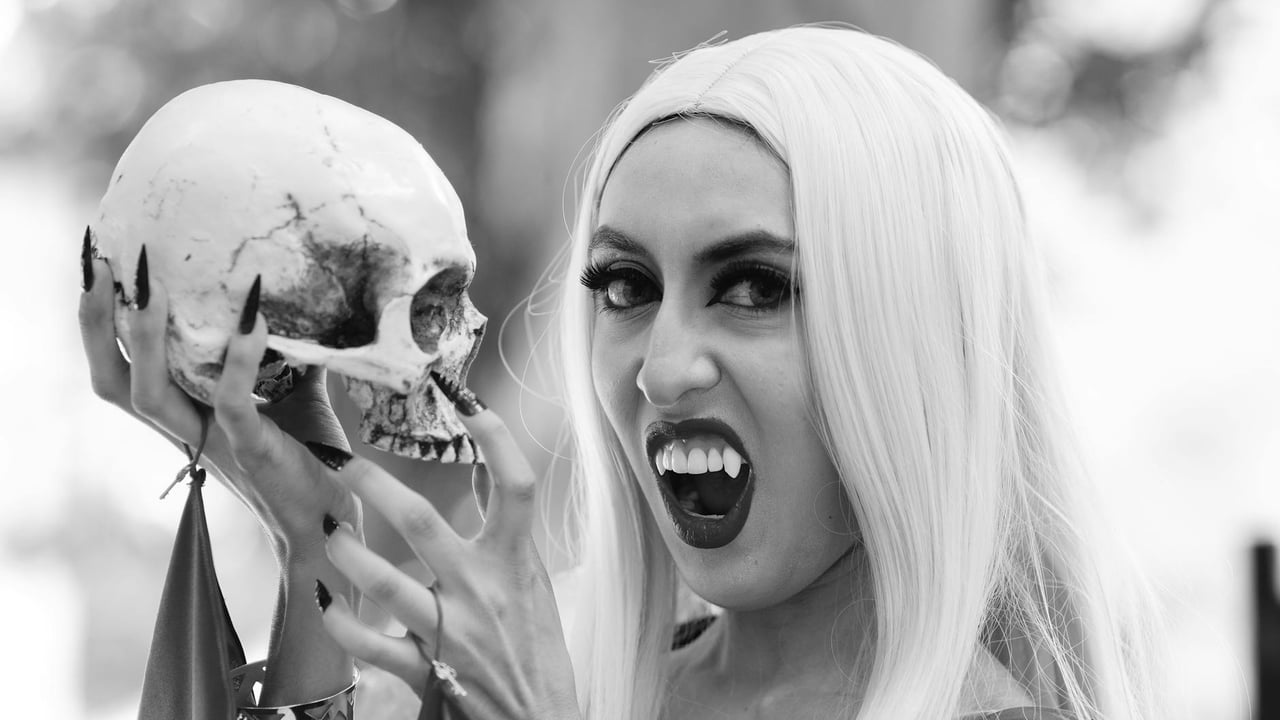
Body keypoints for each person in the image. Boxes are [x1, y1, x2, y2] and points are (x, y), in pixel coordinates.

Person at [78, 25, 1160, 720]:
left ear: (915, 335)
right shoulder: (566, 658)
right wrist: (309, 534)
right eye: (627, 287)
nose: (662, 368)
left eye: (754, 288)